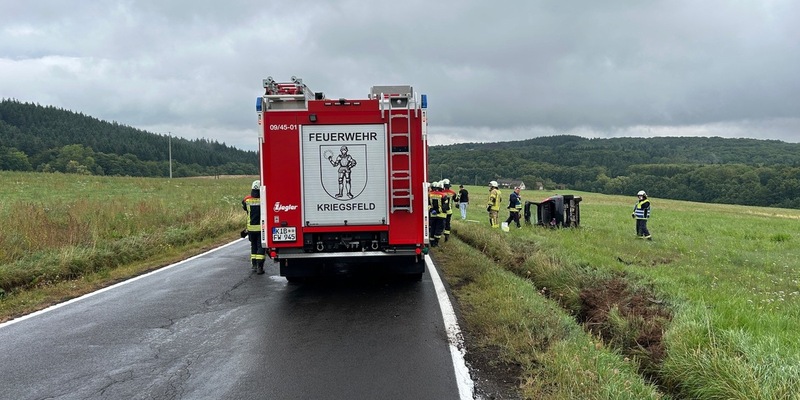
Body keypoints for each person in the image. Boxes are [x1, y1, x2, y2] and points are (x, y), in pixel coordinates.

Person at [242, 180, 266, 274]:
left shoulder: (247, 200)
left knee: (253, 246)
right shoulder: (263, 199)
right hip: (261, 228)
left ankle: (254, 265)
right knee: (261, 247)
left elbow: (244, 207)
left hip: (251, 228)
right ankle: (260, 267)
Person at [428, 181, 448, 246]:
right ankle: (436, 242)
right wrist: (438, 211)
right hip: (441, 215)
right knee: (439, 229)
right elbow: (444, 206)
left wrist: (431, 210)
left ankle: (431, 242)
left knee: (433, 228)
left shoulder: (430, 194)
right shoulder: (444, 195)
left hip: (432, 215)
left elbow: (428, 204)